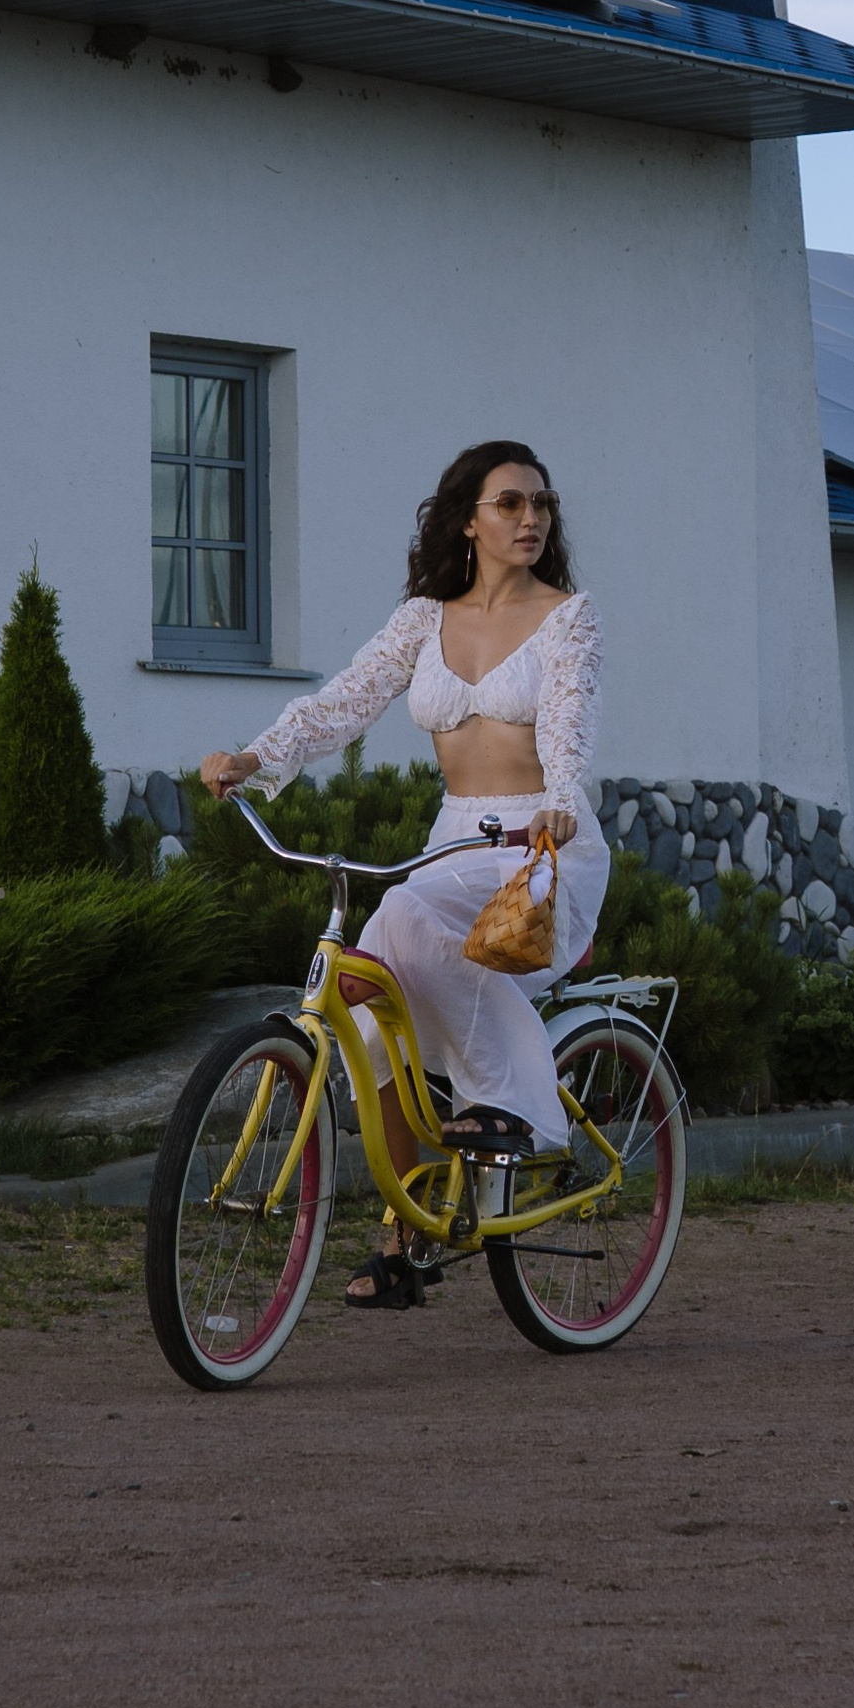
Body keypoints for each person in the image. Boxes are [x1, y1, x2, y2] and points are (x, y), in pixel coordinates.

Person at [200, 439, 608, 1310]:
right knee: (376, 983)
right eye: (510, 504)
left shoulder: (567, 617)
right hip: (454, 843)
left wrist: (563, 799)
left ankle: (523, 1112)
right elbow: (343, 702)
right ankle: (406, 1230)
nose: (530, 518)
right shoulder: (426, 617)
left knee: (403, 925)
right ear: (469, 519)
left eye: (540, 503)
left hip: (539, 848)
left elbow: (570, 724)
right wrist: (254, 755)